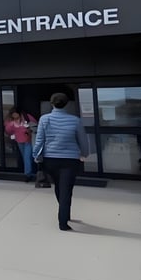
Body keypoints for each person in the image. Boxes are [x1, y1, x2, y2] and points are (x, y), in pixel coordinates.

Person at [33, 92, 90, 231]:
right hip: (70, 160)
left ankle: (64, 214)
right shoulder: (75, 120)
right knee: (66, 189)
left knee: (59, 187)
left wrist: (36, 155)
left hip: (50, 159)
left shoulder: (44, 119)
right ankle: (63, 221)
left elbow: (40, 140)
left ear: (52, 104)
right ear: (66, 104)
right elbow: (83, 140)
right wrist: (84, 154)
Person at [4, 108, 37, 182]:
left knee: (27, 157)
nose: (15, 116)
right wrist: (11, 124)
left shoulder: (26, 117)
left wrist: (29, 128)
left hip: (28, 140)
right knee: (26, 157)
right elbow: (8, 130)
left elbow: (35, 125)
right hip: (19, 141)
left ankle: (28, 174)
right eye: (13, 114)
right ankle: (31, 171)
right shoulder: (11, 121)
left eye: (16, 114)